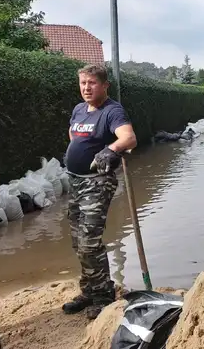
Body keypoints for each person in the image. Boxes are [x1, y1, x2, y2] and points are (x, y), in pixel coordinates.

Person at [62, 64, 137, 320]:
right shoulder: (79, 109)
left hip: (96, 183)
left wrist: (111, 149)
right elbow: (73, 134)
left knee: (89, 241)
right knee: (78, 241)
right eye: (83, 83)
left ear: (104, 85)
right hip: (75, 181)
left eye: (92, 83)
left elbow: (128, 138)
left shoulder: (112, 111)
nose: (86, 88)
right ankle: (88, 291)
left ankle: (104, 295)